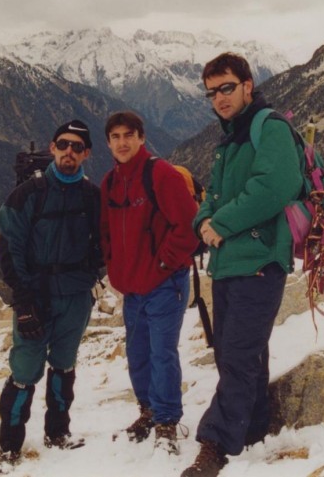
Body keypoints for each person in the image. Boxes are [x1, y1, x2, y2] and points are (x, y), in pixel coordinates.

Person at [181, 53, 303, 477]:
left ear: (248, 85)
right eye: (212, 92)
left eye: (227, 87)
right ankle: (252, 426)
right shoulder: (229, 138)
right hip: (230, 262)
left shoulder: (268, 126)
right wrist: (203, 223)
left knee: (235, 351)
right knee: (241, 350)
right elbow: (211, 195)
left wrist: (221, 224)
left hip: (260, 258)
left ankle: (216, 443)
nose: (219, 98)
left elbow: (275, 185)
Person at [0, 119, 102, 474]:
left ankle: (58, 433)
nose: (69, 151)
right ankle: (9, 446)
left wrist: (92, 276)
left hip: (74, 296)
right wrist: (23, 300)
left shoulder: (92, 196)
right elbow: (10, 246)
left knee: (64, 365)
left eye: (77, 146)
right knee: (25, 370)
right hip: (36, 295)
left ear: (86, 154)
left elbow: (104, 243)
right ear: (53, 147)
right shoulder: (28, 194)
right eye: (63, 144)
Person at [99, 111, 200, 455]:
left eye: (129, 135)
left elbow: (188, 227)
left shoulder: (161, 174)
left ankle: (168, 422)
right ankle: (149, 411)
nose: (123, 142)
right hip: (132, 289)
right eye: (116, 136)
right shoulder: (110, 183)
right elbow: (107, 233)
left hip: (164, 284)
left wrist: (162, 264)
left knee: (161, 354)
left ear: (141, 138)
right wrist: (115, 271)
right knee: (138, 353)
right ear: (108, 142)